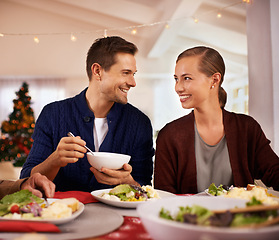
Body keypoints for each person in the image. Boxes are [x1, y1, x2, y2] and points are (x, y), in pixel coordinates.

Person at [20, 36, 154, 192]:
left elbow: (145, 188)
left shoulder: (140, 123)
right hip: (63, 213)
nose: (132, 82)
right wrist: (55, 160)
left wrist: (129, 181)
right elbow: (25, 180)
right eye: (125, 73)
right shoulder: (52, 114)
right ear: (97, 71)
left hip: (117, 216)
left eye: (133, 74)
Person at [154, 46, 279, 194]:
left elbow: (274, 172)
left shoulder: (246, 128)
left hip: (240, 216)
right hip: (187, 217)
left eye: (186, 78)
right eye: (176, 79)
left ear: (214, 79)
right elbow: (163, 197)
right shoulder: (169, 135)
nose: (178, 87)